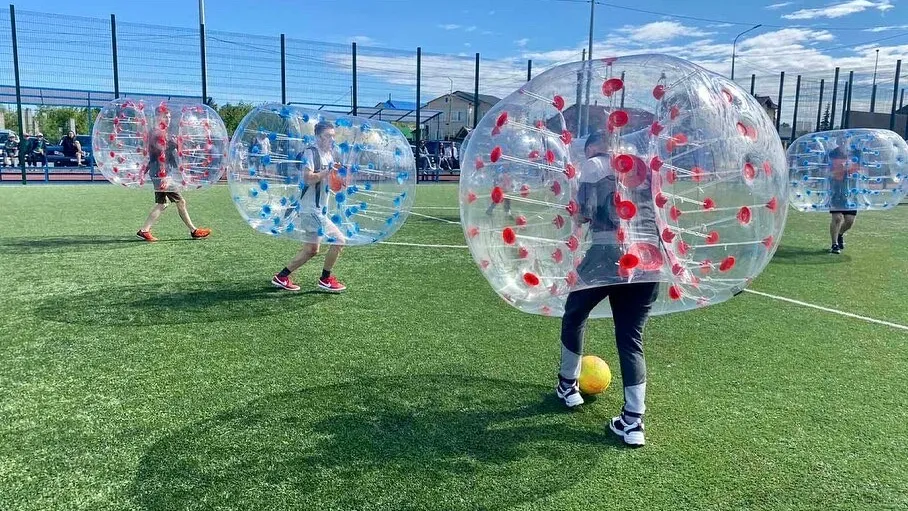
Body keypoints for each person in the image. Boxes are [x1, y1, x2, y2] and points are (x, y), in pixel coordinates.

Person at [555, 131, 660, 448]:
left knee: (574, 314)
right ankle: (633, 422)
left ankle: (567, 386)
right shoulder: (643, 167)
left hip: (606, 254)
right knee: (630, 337)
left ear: (591, 148)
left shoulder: (592, 165)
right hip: (649, 260)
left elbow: (583, 214)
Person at [271, 120, 347, 293]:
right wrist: (328, 172)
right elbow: (308, 178)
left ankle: (282, 276)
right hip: (310, 210)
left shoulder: (329, 154)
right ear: (317, 136)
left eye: (333, 136)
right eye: (327, 136)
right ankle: (325, 279)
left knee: (312, 249)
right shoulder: (310, 153)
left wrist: (338, 182)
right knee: (339, 240)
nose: (331, 139)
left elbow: (327, 182)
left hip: (318, 209)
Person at [136, 107, 211, 242]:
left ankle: (144, 230)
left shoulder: (159, 133)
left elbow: (160, 154)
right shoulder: (158, 134)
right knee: (179, 201)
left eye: (169, 117)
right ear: (158, 117)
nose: (168, 119)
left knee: (162, 203)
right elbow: (160, 155)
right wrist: (163, 176)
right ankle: (193, 231)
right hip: (161, 174)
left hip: (159, 173)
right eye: (165, 116)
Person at [827, 146, 857, 254]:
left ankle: (840, 234)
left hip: (850, 196)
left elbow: (858, 173)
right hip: (836, 195)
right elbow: (830, 174)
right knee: (837, 218)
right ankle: (834, 244)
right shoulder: (833, 161)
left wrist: (850, 168)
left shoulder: (854, 160)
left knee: (849, 221)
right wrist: (841, 168)